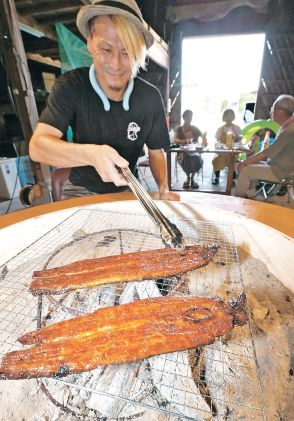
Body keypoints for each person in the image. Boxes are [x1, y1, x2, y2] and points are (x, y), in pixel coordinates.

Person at [29, 0, 178, 201]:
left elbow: (156, 152)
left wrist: (163, 188)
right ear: (90, 42)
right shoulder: (71, 86)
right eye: (106, 50)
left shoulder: (149, 97)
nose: (116, 65)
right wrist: (92, 154)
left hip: (128, 187)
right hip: (79, 188)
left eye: (126, 52)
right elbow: (37, 147)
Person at [235, 94, 294, 198]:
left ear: (282, 111)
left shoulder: (289, 130)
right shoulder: (288, 126)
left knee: (246, 169)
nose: (271, 111)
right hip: (281, 167)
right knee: (250, 165)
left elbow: (267, 152)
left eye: (274, 108)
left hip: (283, 172)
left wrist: (244, 162)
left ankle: (238, 202)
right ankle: (249, 196)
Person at [173, 109, 207, 189]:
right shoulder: (179, 129)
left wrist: (204, 137)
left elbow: (203, 137)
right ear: (183, 117)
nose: (189, 118)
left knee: (197, 159)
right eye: (187, 116)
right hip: (182, 153)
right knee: (187, 160)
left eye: (191, 117)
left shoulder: (194, 128)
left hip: (194, 153)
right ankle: (188, 178)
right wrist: (183, 141)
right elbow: (175, 140)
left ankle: (192, 179)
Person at [212, 109, 242, 185]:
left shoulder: (237, 128)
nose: (229, 118)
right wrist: (219, 144)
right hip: (222, 152)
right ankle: (217, 177)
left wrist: (236, 138)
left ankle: (231, 179)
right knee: (217, 159)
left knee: (231, 160)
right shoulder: (220, 129)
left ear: (233, 117)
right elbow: (216, 140)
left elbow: (240, 139)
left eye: (231, 115)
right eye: (227, 115)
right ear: (224, 117)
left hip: (232, 151)